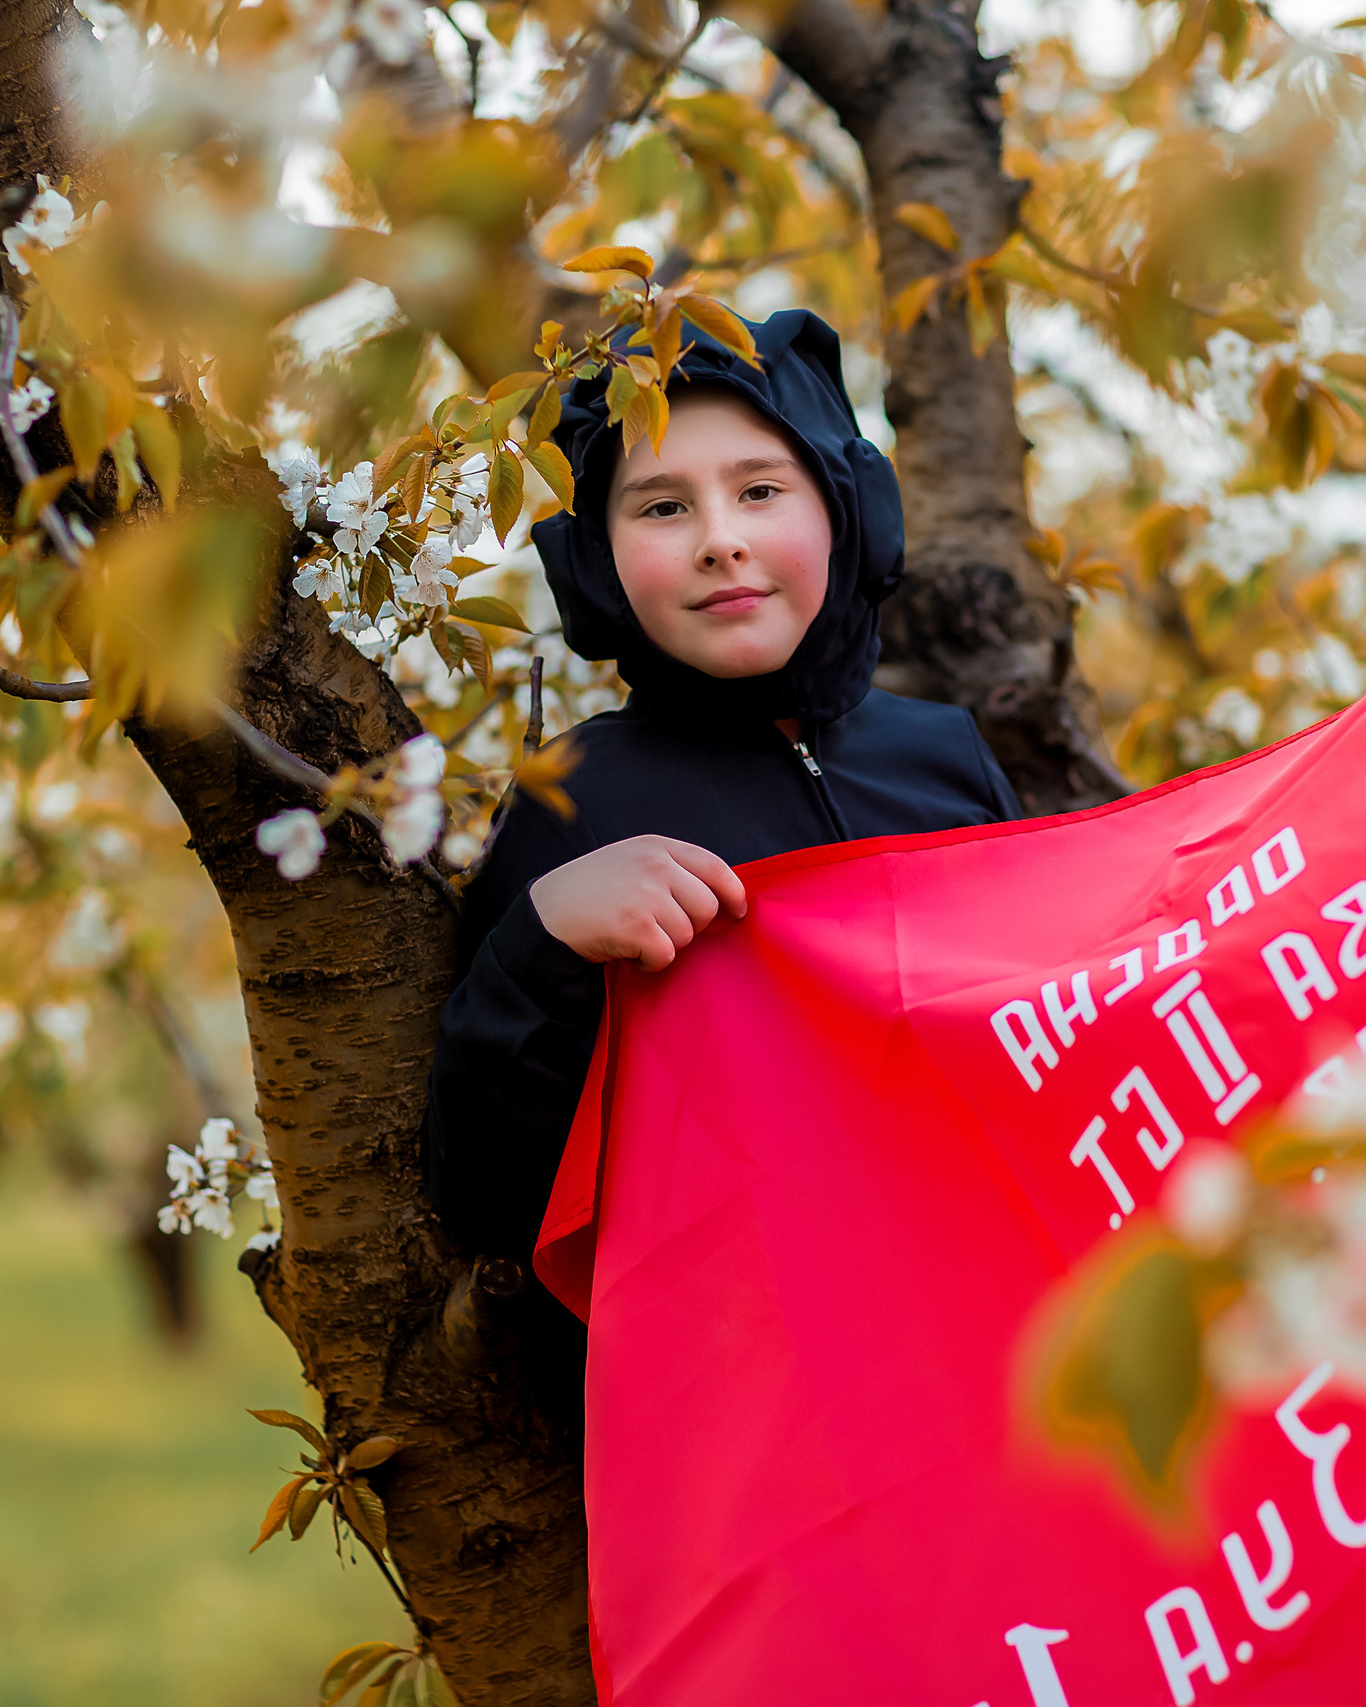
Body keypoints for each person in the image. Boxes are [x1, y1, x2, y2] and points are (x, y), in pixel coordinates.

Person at [423, 310, 1020, 1421]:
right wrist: (541, 938)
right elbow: (489, 1186)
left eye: (759, 490)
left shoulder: (945, 757)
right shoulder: (576, 799)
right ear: (595, 565)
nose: (718, 539)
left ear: (848, 506)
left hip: (997, 1348)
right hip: (766, 1401)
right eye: (661, 507)